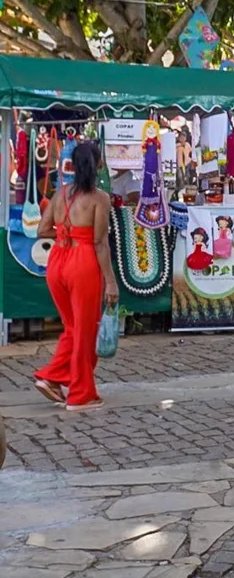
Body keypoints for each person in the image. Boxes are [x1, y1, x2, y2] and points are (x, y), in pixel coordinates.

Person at [33, 142, 118, 412]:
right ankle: (80, 394)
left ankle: (54, 378)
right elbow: (100, 242)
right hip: (83, 262)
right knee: (84, 329)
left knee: (73, 328)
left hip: (57, 261)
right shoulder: (99, 198)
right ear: (98, 165)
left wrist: (65, 235)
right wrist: (112, 282)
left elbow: (41, 230)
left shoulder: (60, 194)